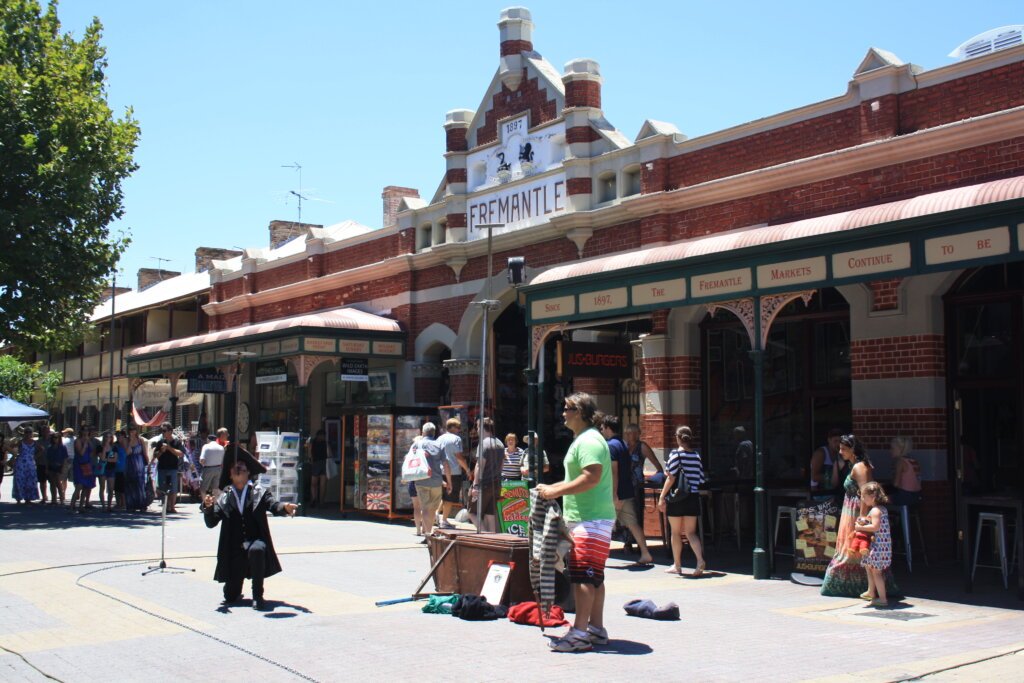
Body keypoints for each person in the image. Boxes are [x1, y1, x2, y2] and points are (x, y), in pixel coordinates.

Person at [537, 392, 615, 653]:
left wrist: (556, 492)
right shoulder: (585, 439)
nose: (563, 413)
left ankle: (579, 634)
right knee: (594, 578)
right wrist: (551, 488)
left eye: (568, 408)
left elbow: (591, 477)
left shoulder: (589, 441)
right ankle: (595, 629)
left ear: (581, 411)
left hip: (590, 519)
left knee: (582, 577)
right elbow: (578, 478)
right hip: (590, 518)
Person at [202, 459, 297, 610]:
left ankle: (257, 595)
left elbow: (273, 504)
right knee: (231, 596)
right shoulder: (224, 496)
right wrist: (207, 508)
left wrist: (285, 507)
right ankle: (234, 587)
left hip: (254, 541)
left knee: (257, 549)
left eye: (242, 469)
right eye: (235, 469)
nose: (238, 470)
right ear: (231, 475)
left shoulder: (258, 492)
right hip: (234, 549)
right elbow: (211, 522)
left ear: (248, 475)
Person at [821, 434, 899, 598]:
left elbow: (866, 492)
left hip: (856, 511)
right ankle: (869, 588)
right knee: (853, 547)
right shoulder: (855, 465)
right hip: (850, 510)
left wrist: (862, 517)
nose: (840, 451)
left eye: (844, 449)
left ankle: (861, 586)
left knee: (856, 547)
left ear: (853, 450)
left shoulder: (859, 467)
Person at [604, 415, 653, 565]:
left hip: (617, 493)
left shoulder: (611, 445)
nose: (601, 430)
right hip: (627, 490)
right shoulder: (623, 445)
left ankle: (596, 557)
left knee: (603, 525)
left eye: (602, 427)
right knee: (633, 523)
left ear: (607, 428)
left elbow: (614, 472)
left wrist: (614, 494)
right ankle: (645, 553)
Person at [658, 427, 706, 576]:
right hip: (692, 497)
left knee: (676, 532)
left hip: (677, 498)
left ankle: (677, 565)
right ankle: (700, 561)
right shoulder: (696, 456)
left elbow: (670, 477)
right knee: (691, 532)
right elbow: (701, 479)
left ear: (678, 438)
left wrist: (662, 497)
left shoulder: (675, 454)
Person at [411, 422, 450, 541]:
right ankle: (429, 534)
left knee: (425, 508)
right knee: (432, 509)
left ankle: (428, 534)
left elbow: (409, 461)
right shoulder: (439, 445)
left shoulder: (417, 444)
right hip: (437, 482)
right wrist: (449, 482)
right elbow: (446, 464)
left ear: (423, 432)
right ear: (434, 433)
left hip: (421, 481)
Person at [857, 481, 893, 608]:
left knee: (876, 572)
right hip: (880, 546)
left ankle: (882, 599)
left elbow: (875, 526)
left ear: (872, 497)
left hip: (878, 547)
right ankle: (871, 591)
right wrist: (864, 521)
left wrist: (860, 527)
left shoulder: (875, 511)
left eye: (863, 496)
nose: (862, 499)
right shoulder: (880, 509)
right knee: (869, 566)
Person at [623, 424, 664, 526]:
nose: (627, 436)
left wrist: (652, 479)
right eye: (626, 433)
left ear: (636, 434)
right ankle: (626, 539)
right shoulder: (624, 446)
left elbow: (658, 467)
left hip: (637, 485)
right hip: (624, 483)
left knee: (636, 512)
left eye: (630, 433)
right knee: (624, 513)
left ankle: (637, 539)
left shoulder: (642, 447)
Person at [469, 418, 504, 533]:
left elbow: (479, 465)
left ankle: (484, 535)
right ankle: (492, 538)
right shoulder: (500, 443)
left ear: (483, 428)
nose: (477, 430)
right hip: (496, 484)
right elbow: (502, 465)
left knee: (472, 512)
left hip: (484, 484)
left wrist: (475, 486)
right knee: (490, 514)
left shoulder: (483, 443)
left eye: (478, 427)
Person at [435, 418, 468, 527]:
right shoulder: (456, 439)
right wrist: (467, 469)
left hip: (440, 471)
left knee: (443, 495)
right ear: (453, 427)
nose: (459, 430)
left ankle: (437, 514)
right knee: (449, 498)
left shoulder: (439, 438)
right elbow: (459, 457)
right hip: (453, 471)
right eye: (458, 428)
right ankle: (444, 520)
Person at [154, 422, 184, 513]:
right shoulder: (160, 442)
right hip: (162, 468)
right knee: (162, 488)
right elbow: (156, 456)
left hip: (173, 468)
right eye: (161, 431)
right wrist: (161, 451)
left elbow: (181, 453)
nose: (163, 432)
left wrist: (169, 448)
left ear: (170, 431)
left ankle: (172, 506)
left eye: (164, 430)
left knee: (173, 488)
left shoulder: (177, 442)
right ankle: (165, 506)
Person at [809, 428, 843, 499]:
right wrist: (833, 477)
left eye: (840, 441)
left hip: (834, 493)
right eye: (835, 441)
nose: (838, 444)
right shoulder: (820, 453)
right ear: (829, 440)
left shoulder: (840, 454)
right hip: (819, 494)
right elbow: (814, 476)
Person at [890, 436, 922, 507]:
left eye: (892, 448)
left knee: (879, 499)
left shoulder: (900, 462)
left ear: (900, 449)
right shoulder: (913, 461)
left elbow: (896, 484)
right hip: (917, 494)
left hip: (905, 495)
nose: (890, 451)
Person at [12, 427, 41, 503]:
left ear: (32, 433)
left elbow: (42, 449)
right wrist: (15, 454)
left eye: (29, 432)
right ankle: (18, 497)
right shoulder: (21, 442)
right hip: (21, 462)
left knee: (30, 480)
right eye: (26, 432)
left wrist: (35, 457)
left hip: (30, 463)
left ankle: (28, 498)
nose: (28, 434)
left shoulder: (34, 442)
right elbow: (12, 447)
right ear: (24, 433)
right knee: (19, 479)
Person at [124, 426, 149, 512]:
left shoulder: (140, 440)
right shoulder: (126, 440)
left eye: (133, 430)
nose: (132, 431)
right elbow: (126, 453)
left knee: (140, 484)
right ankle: (131, 505)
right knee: (130, 484)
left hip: (139, 463)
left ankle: (142, 505)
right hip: (130, 463)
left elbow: (145, 452)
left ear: (136, 431)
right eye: (130, 430)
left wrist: (148, 463)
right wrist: (130, 442)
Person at [71, 427, 96, 512]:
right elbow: (81, 453)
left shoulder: (88, 440)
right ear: (81, 431)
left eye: (87, 431)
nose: (86, 432)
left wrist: (88, 441)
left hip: (87, 464)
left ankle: (81, 506)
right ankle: (72, 506)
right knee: (79, 486)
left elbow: (92, 450)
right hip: (79, 465)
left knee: (86, 486)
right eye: (84, 430)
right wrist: (85, 444)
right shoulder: (77, 441)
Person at [200, 429, 227, 499]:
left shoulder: (206, 446)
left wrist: (202, 464)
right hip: (218, 469)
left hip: (208, 468)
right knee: (215, 488)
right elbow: (223, 461)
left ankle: (205, 503)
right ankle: (215, 504)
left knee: (203, 488)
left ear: (208, 439)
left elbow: (202, 459)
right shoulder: (221, 448)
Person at [44, 432, 69, 505]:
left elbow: (65, 458)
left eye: (57, 437)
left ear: (59, 439)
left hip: (59, 467)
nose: (55, 439)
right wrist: (46, 468)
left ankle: (61, 499)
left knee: (58, 483)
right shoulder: (49, 447)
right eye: (54, 437)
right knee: (52, 484)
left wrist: (63, 468)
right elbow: (47, 459)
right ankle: (53, 500)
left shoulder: (62, 447)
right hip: (51, 466)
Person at [307, 429, 328, 508]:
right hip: (320, 462)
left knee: (316, 483)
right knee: (319, 484)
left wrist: (310, 459)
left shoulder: (315, 442)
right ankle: (318, 500)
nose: (323, 437)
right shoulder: (320, 442)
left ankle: (316, 499)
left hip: (318, 463)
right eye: (323, 436)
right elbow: (309, 452)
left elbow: (309, 452)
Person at [59, 428, 75, 503]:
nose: (63, 434)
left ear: (68, 433)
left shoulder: (63, 441)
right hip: (74, 460)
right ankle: (77, 492)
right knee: (75, 478)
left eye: (64, 433)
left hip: (66, 460)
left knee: (64, 478)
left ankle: (63, 493)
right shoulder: (76, 440)